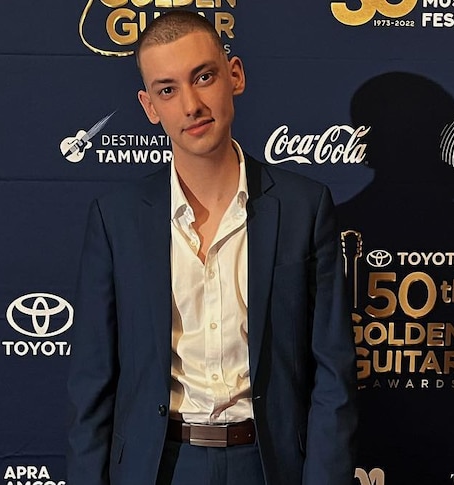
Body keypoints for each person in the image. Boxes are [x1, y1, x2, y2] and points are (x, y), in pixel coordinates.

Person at [67, 10, 357, 485]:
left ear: (234, 76)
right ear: (148, 106)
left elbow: (333, 374)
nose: (191, 105)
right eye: (167, 89)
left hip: (268, 465)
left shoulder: (306, 207)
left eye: (203, 77)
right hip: (157, 467)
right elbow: (91, 384)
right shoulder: (115, 218)